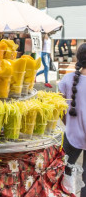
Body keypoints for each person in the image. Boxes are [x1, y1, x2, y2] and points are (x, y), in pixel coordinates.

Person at [59, 44, 86, 196]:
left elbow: (58, 108)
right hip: (74, 134)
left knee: (63, 173)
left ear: (78, 58)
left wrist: (68, 122)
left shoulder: (67, 79)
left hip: (71, 135)